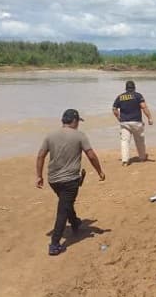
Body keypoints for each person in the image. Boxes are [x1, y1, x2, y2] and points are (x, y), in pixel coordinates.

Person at [36, 109, 105, 256]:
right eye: (78, 121)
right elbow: (91, 155)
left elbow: (40, 156)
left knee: (65, 203)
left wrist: (39, 176)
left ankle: (75, 223)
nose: (78, 124)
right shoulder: (80, 136)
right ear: (74, 121)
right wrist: (99, 171)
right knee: (63, 210)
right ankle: (54, 244)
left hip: (53, 180)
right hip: (70, 180)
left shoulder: (50, 135)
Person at [113, 80, 153, 166]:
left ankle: (125, 161)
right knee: (140, 140)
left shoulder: (120, 97)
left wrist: (118, 118)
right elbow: (144, 107)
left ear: (126, 88)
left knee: (124, 141)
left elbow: (114, 109)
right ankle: (142, 157)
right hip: (136, 122)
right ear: (134, 88)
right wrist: (149, 118)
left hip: (124, 123)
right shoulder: (138, 96)